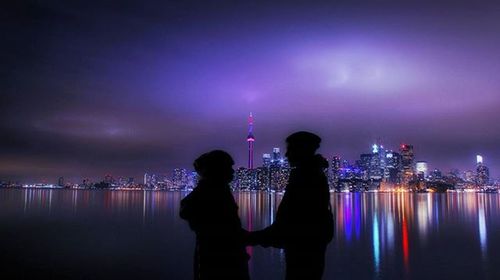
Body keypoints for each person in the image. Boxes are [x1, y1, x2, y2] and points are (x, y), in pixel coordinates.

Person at [248, 131, 334, 280]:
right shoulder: (311, 174)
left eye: (290, 149)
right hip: (310, 249)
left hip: (303, 251)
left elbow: (293, 223)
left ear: (302, 150)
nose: (286, 155)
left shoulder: (306, 178)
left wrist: (251, 238)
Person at [179, 150, 250, 280]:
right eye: (229, 167)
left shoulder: (219, 189)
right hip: (216, 260)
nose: (232, 171)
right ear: (218, 169)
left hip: (224, 257)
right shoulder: (211, 191)